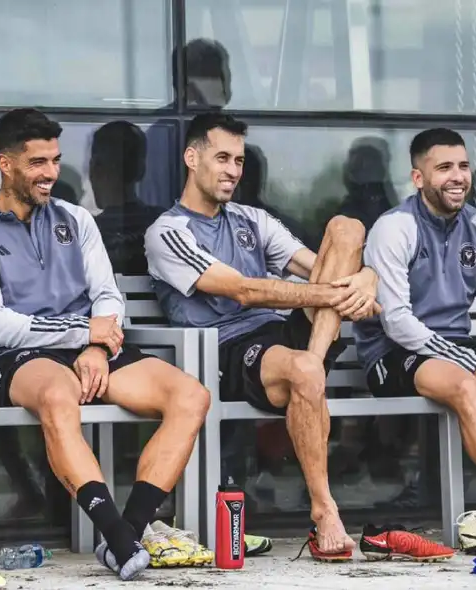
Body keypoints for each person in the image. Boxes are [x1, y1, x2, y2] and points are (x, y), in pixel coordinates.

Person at [0, 108, 211, 581]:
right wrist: (82, 333)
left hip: (89, 349)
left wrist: (95, 347)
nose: (51, 173)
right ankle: (116, 532)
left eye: (55, 160)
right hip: (23, 357)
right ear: (5, 164)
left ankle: (124, 535)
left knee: (191, 396)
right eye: (37, 163)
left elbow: (107, 295)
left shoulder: (75, 219)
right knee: (57, 396)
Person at [144, 112, 381, 561]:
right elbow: (243, 290)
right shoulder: (167, 232)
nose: (233, 169)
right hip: (225, 349)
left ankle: (309, 371)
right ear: (192, 158)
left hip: (285, 340)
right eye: (221, 158)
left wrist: (367, 276)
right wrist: (343, 292)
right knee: (307, 357)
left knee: (347, 229)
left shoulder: (252, 219)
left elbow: (326, 271)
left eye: (238, 160)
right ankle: (324, 508)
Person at [354, 127, 476, 550]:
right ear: (419, 178)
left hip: (457, 353)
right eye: (444, 167)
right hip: (394, 353)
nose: (457, 176)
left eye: (463, 166)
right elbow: (398, 322)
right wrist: (475, 366)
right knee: (465, 385)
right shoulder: (395, 227)